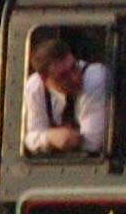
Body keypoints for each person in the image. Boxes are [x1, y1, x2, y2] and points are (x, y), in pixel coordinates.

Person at [21, 27, 114, 158]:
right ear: (44, 78)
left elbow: (94, 142)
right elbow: (30, 138)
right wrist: (50, 137)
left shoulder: (95, 77)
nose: (75, 78)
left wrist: (68, 140)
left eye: (74, 67)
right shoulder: (35, 87)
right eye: (63, 76)